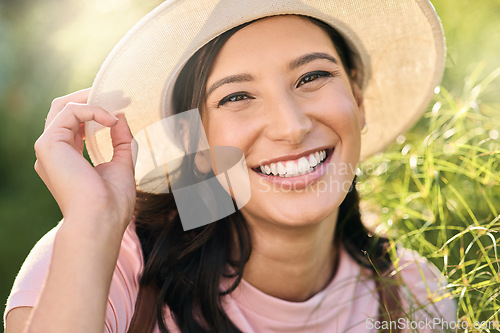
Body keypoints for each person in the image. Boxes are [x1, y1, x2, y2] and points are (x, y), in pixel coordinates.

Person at [4, 1, 456, 332]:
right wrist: (92, 221)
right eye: (236, 96)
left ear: (357, 99)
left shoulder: (413, 294)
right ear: (191, 141)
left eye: (312, 77)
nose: (292, 127)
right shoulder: (107, 264)